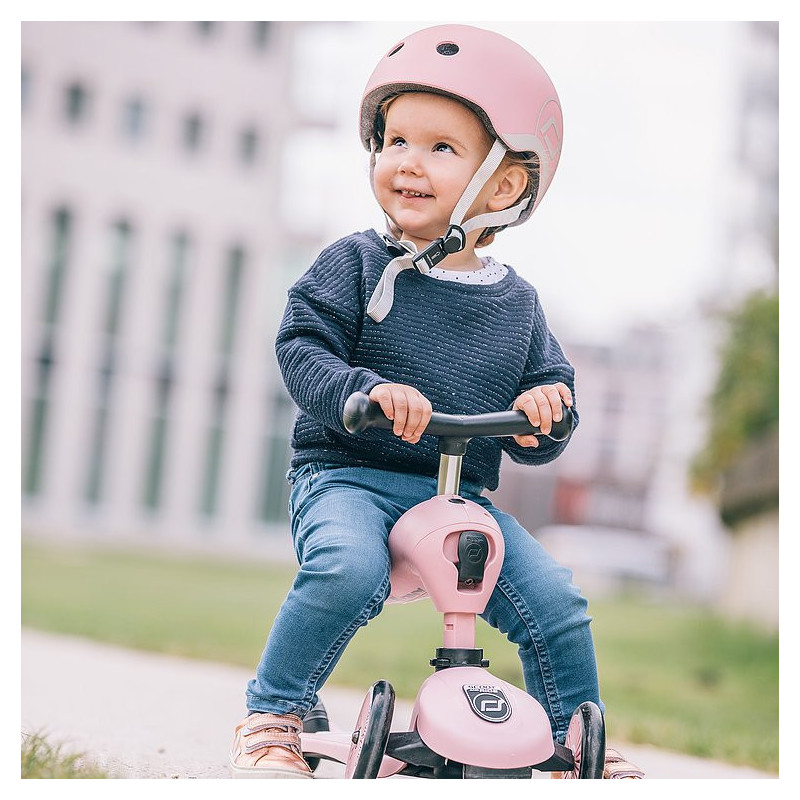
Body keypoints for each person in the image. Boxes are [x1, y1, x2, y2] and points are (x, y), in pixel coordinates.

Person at [229, 23, 643, 780]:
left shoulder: (517, 304)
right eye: (394, 141)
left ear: (506, 184)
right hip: (346, 478)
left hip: (459, 497)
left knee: (555, 598)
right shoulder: (354, 264)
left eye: (441, 148)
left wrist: (547, 410)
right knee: (345, 570)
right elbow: (300, 347)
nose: (406, 163)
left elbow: (552, 410)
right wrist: (363, 392)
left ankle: (574, 742)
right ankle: (275, 712)